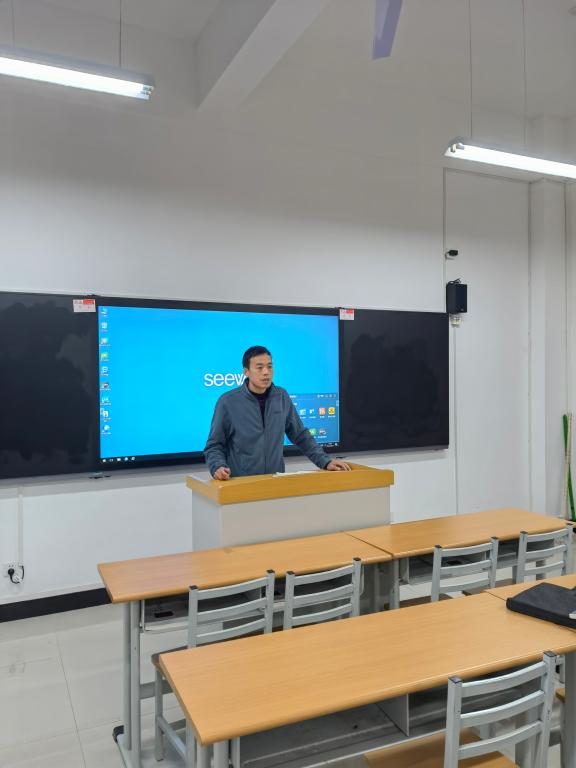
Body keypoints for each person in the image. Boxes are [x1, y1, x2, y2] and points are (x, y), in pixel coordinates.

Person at [204, 345, 350, 479]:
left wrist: (325, 461)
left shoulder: (281, 396)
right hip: (241, 484)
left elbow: (300, 435)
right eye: (259, 367)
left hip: (275, 482)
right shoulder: (228, 402)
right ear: (246, 372)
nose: (266, 372)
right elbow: (214, 445)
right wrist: (217, 466)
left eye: (269, 366)